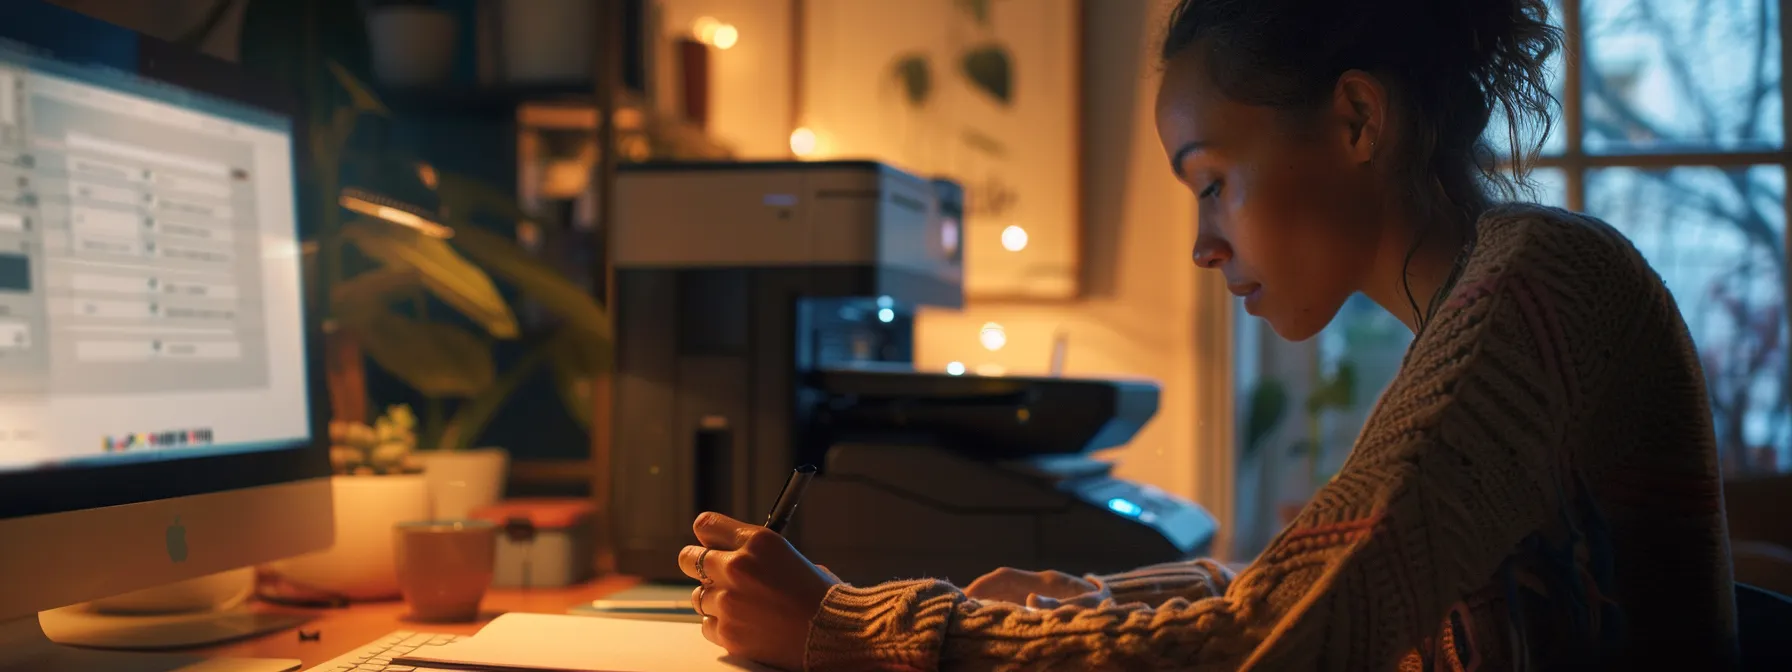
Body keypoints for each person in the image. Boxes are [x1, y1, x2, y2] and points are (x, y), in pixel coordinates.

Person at [675, 0, 1741, 668]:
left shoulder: (1534, 283)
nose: (1203, 243)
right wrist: (1094, 601)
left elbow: (1281, 640)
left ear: (1356, 121)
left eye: (1212, 184)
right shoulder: (1476, 301)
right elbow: (1328, 598)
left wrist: (849, 627)